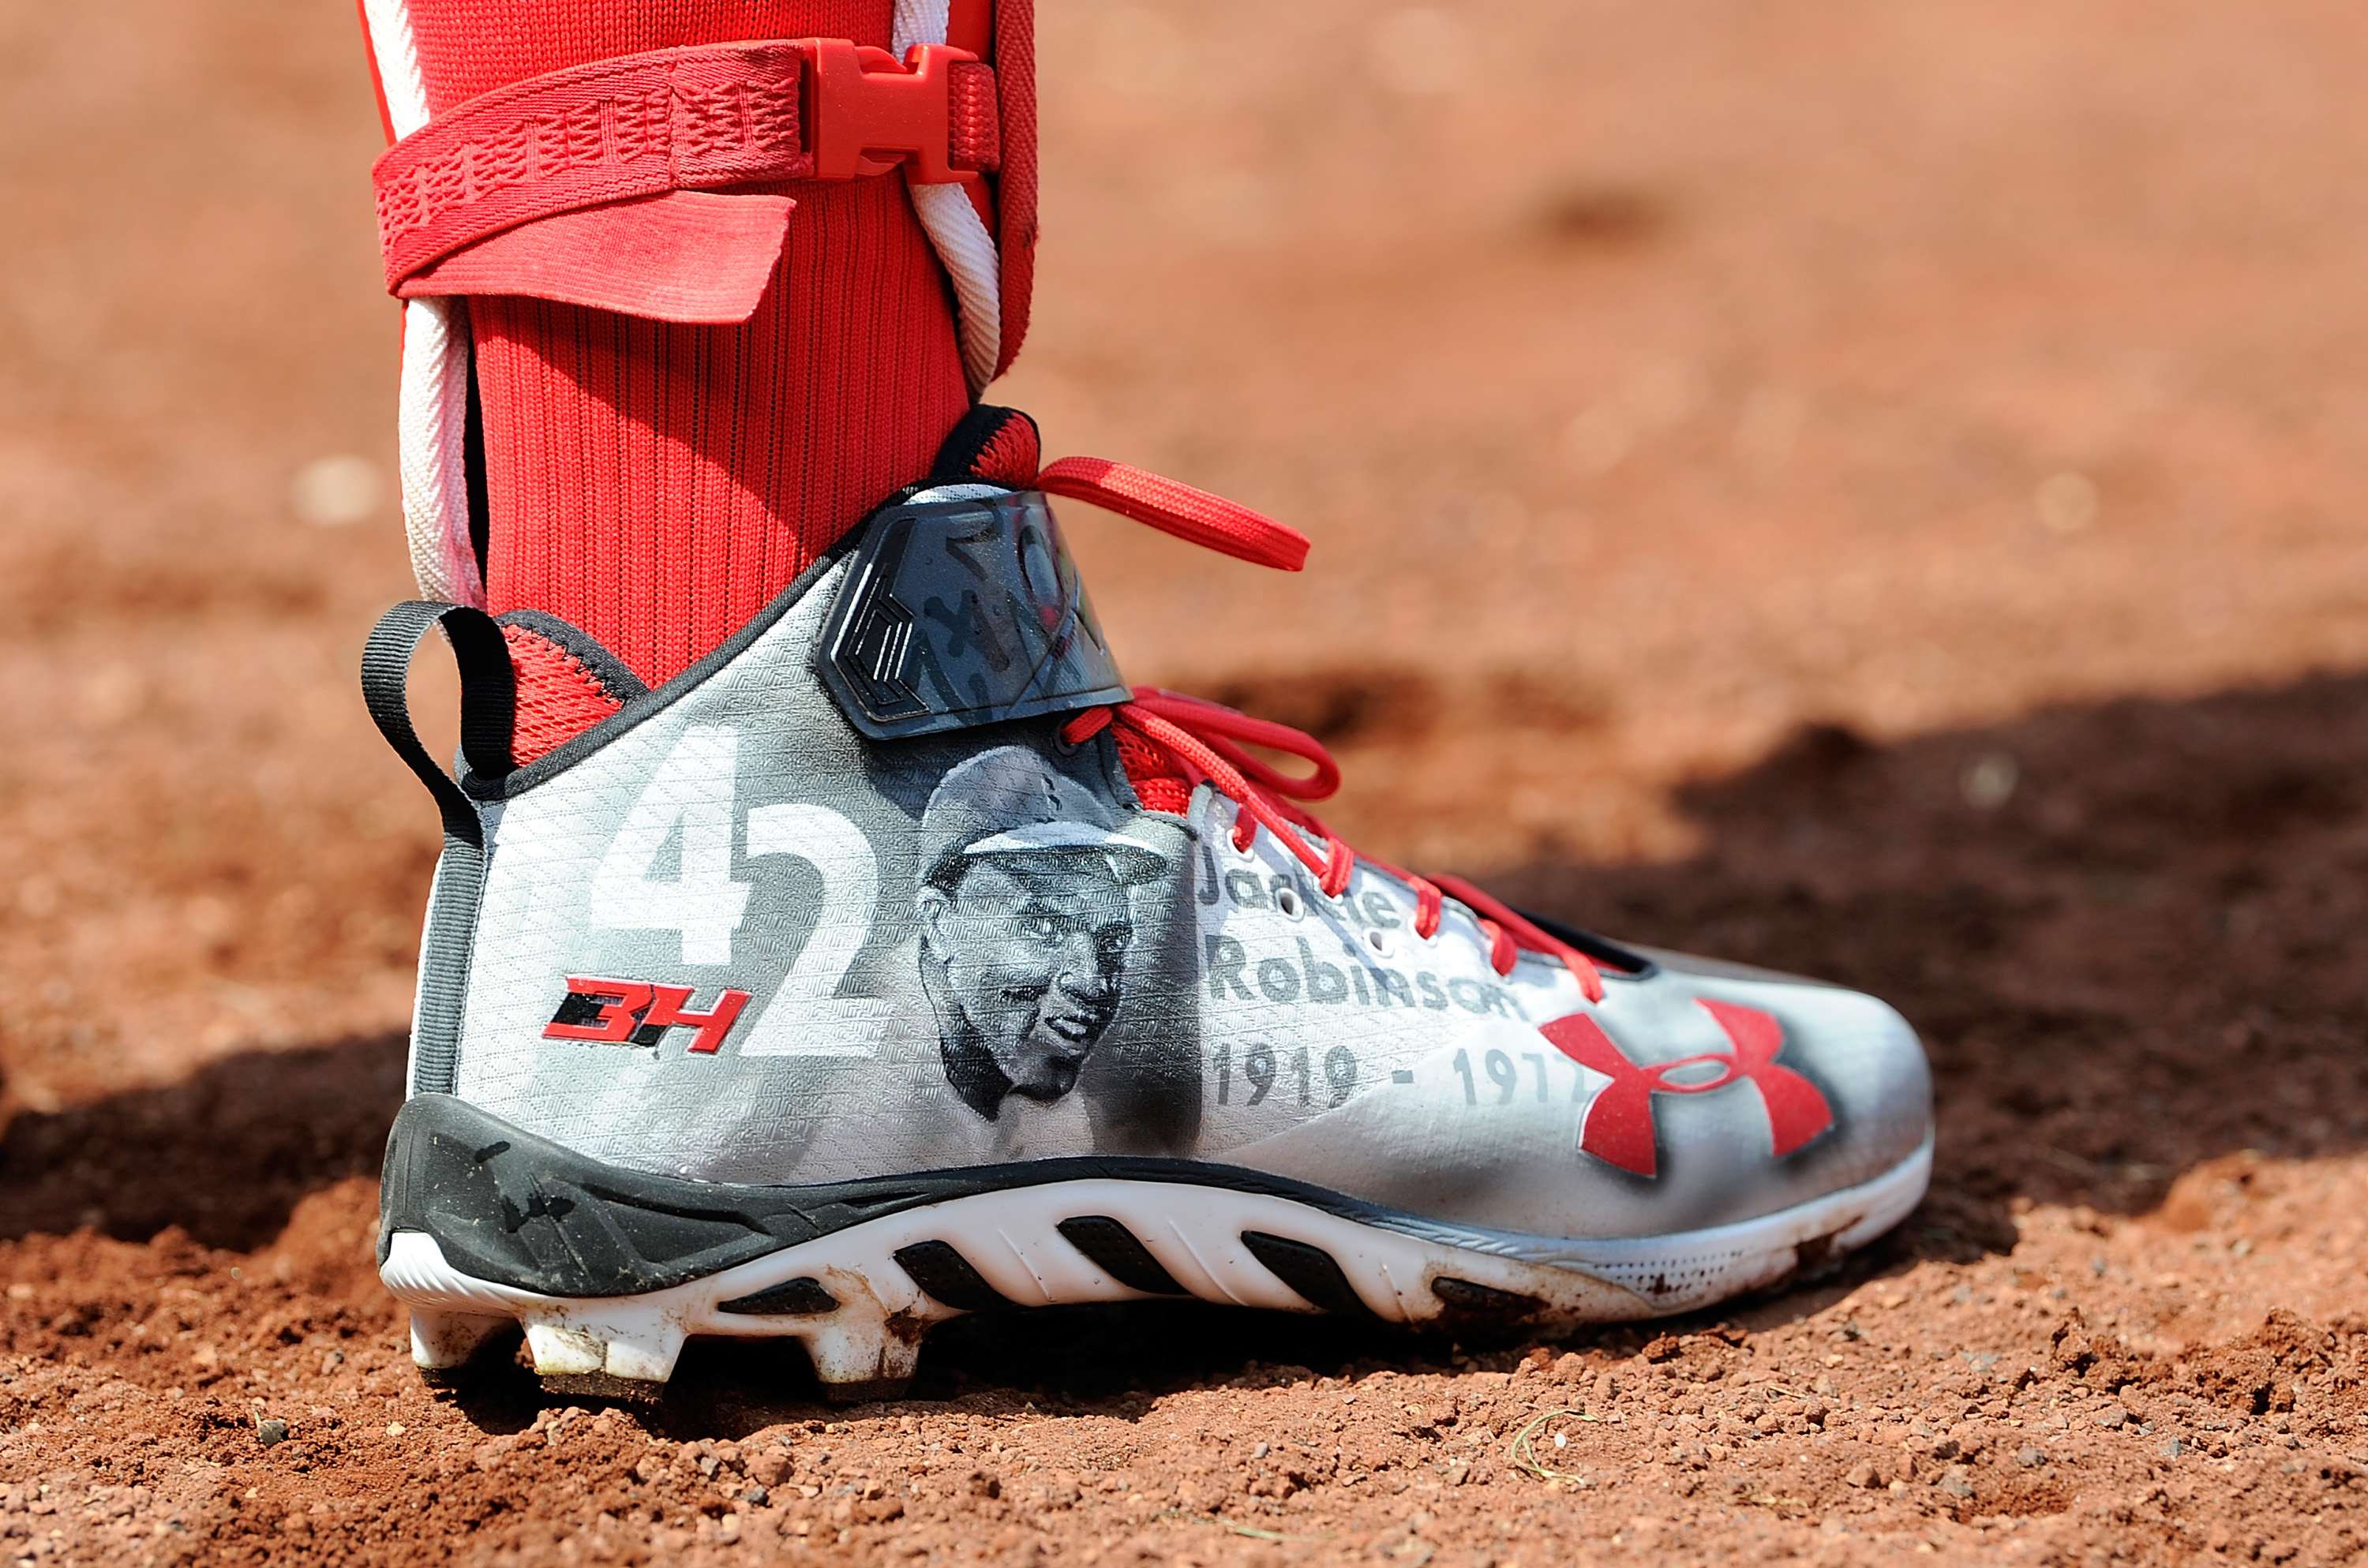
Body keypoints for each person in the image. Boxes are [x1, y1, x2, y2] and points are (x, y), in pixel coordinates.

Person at [912, 747, 1168, 1118]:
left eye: (1111, 943)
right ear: (938, 922)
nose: (1094, 983)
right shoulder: (852, 1087)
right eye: (1045, 927)